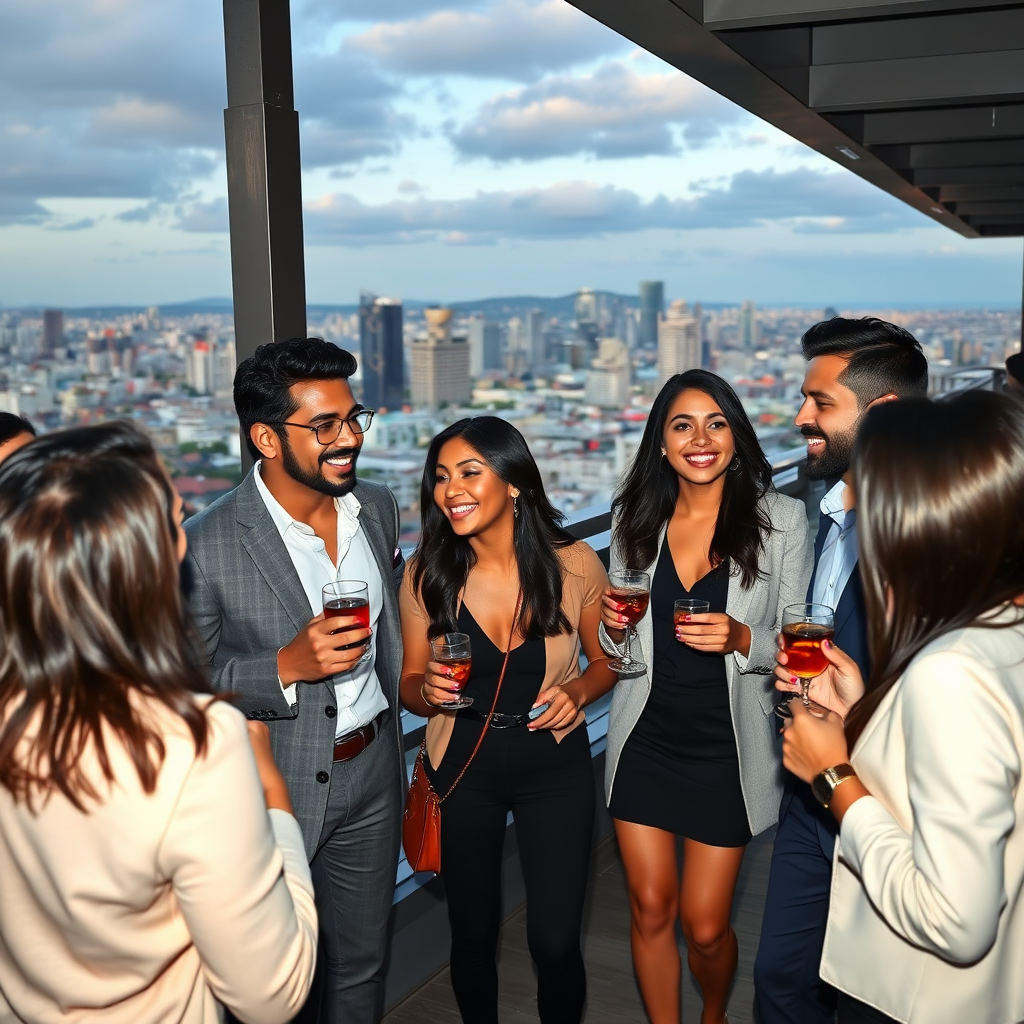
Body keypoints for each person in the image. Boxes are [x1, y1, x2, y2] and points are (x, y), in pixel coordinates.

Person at [0, 421, 317, 1024]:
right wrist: (275, 804)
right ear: (138, 562)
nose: (186, 534)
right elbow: (272, 996)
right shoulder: (190, 745)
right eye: (173, 520)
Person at [778, 392, 1024, 1024]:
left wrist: (834, 776)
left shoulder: (951, 672)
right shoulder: (1001, 635)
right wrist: (864, 715)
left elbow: (956, 919)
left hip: (911, 1001)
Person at [184, 339, 405, 1024]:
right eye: (325, 426)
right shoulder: (206, 542)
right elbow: (183, 692)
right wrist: (284, 667)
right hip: (268, 788)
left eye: (353, 417)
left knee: (363, 965)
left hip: (374, 770)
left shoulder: (378, 505)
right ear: (266, 439)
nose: (350, 439)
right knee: (278, 986)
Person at [598, 369, 814, 1024]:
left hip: (729, 751)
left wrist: (744, 635)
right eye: (682, 425)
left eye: (716, 423)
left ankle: (713, 1013)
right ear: (660, 443)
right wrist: (612, 634)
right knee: (650, 908)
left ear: (737, 438)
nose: (701, 438)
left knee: (705, 927)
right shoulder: (633, 521)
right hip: (645, 741)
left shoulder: (782, 521)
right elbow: (619, 656)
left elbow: (805, 650)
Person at [399, 416, 616, 1024]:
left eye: (471, 471)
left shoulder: (573, 564)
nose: (452, 490)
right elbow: (409, 687)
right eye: (441, 477)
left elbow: (606, 663)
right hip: (464, 767)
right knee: (471, 936)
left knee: (554, 942)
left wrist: (579, 690)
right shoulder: (426, 574)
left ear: (515, 482)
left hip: (555, 766)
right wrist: (430, 693)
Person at [753, 317, 928, 1023]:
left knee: (866, 997)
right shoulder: (824, 514)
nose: (800, 418)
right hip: (809, 798)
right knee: (781, 980)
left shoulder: (927, 537)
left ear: (881, 413)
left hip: (890, 805)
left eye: (820, 402)